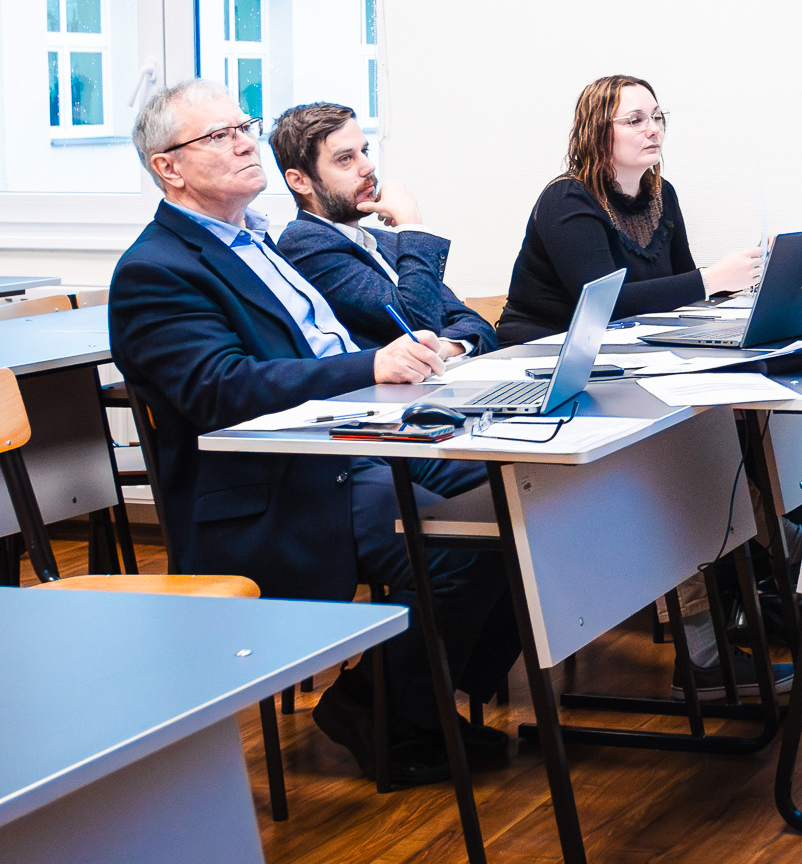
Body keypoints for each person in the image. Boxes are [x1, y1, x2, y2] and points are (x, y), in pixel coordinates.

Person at [107, 79, 520, 786]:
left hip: (354, 441)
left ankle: (416, 702)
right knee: (459, 549)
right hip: (279, 484)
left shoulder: (257, 241)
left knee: (523, 496)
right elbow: (221, 389)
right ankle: (377, 708)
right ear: (167, 167)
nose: (244, 143)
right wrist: (370, 365)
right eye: (219, 136)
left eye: (243, 126)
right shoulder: (156, 270)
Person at [497, 74, 760, 344]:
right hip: (544, 345)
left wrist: (750, 272)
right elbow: (604, 305)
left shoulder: (662, 193)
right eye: (635, 120)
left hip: (624, 341)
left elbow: (682, 283)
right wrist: (711, 279)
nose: (654, 129)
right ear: (597, 131)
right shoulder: (567, 198)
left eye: (657, 117)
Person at [267, 101, 499, 358]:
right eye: (345, 158)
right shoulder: (305, 244)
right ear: (300, 181)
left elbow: (479, 327)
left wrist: (444, 349)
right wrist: (411, 224)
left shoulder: (385, 241)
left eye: (364, 151)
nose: (368, 166)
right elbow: (420, 324)